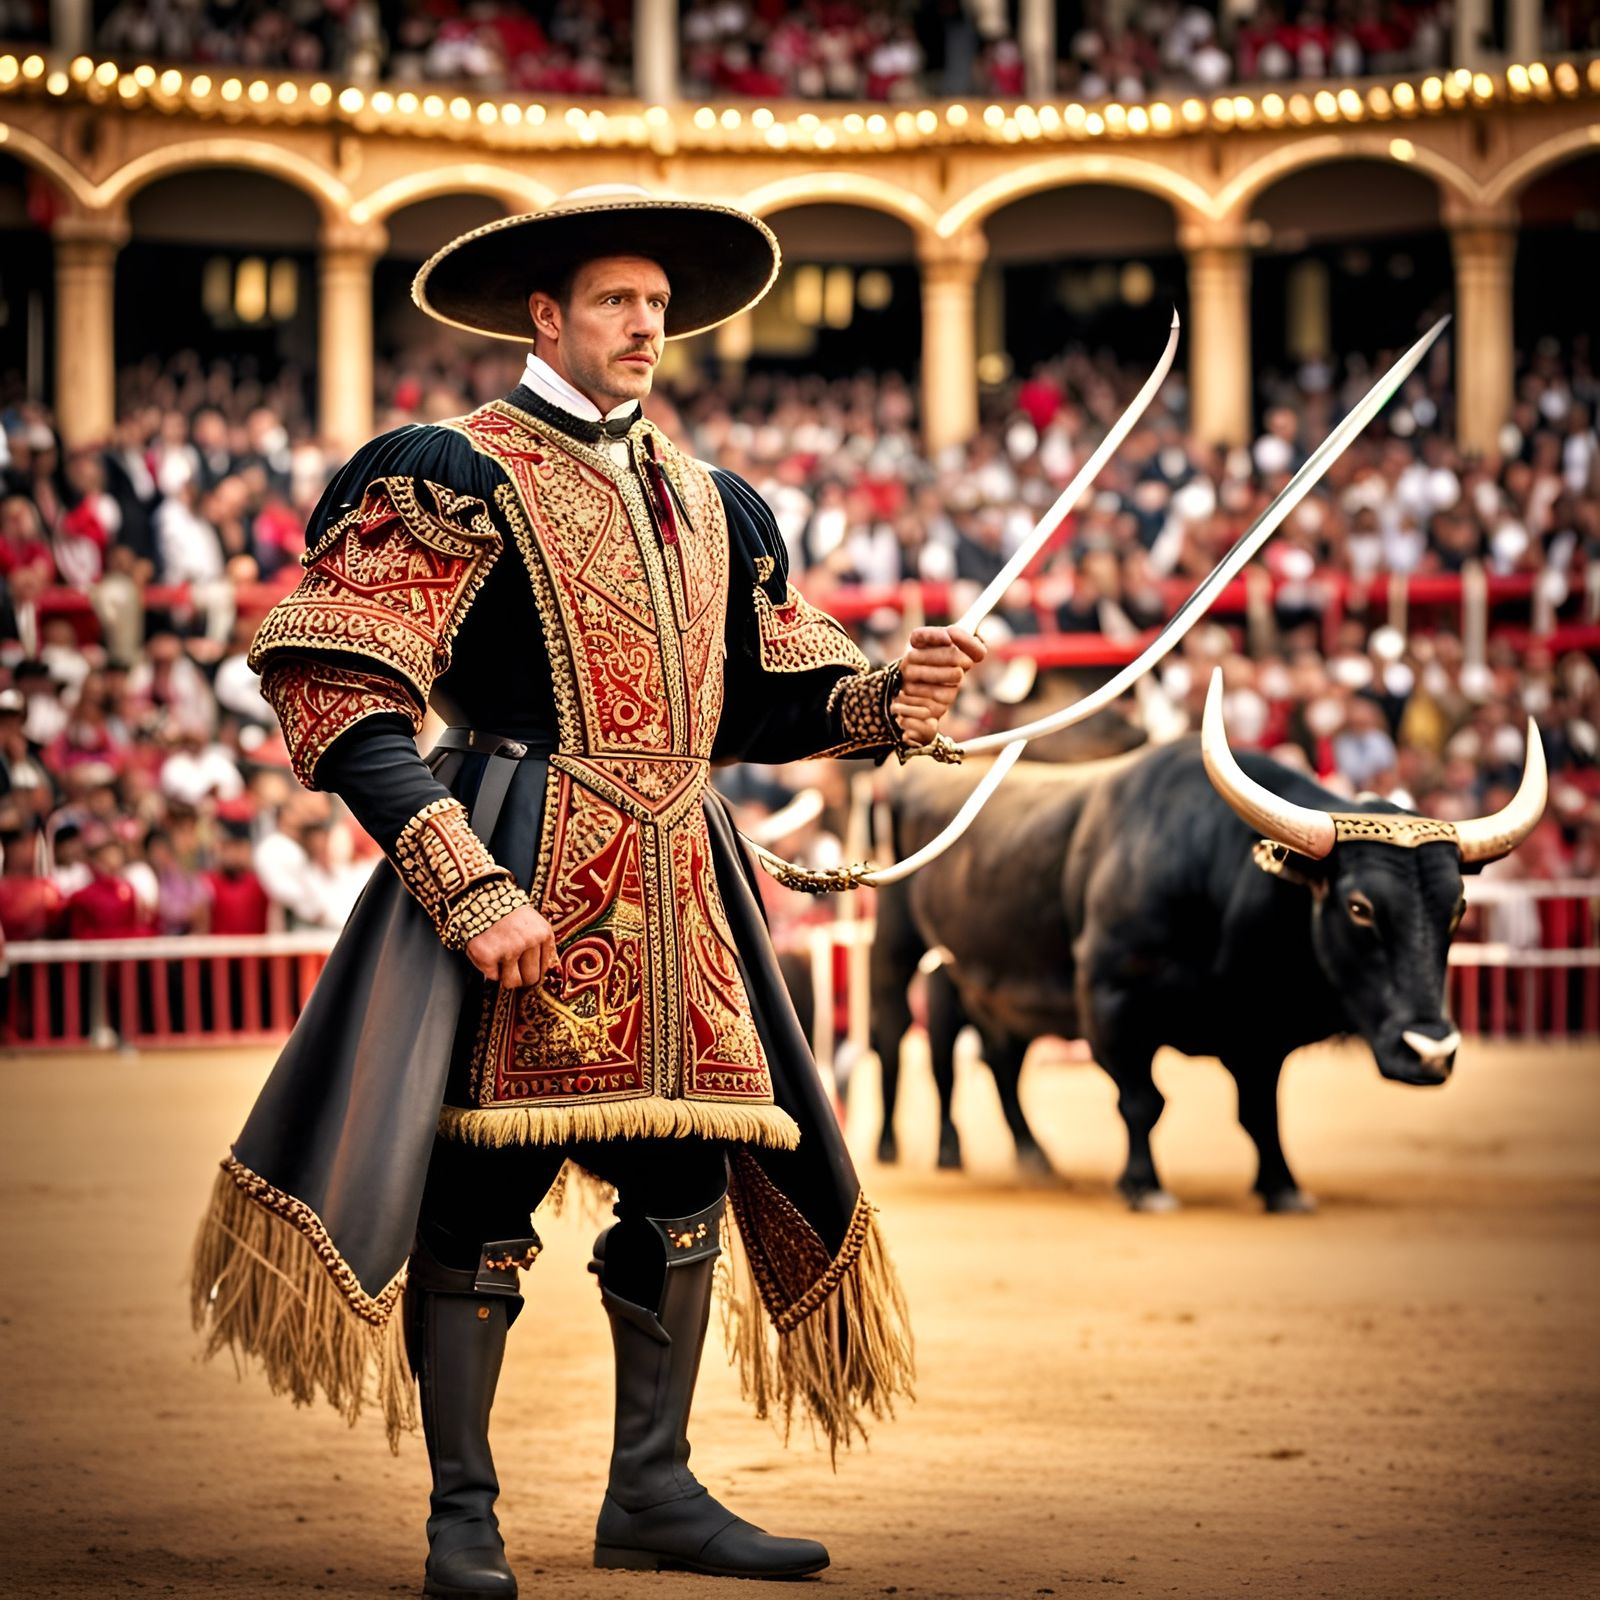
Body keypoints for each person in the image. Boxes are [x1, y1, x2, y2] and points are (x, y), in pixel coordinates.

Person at [190, 185, 985, 1597]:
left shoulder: (707, 494)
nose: (645, 327)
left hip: (684, 882)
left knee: (688, 1181)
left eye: (658, 307)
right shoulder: (451, 468)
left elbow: (769, 697)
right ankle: (463, 1513)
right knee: (480, 1184)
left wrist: (888, 701)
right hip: (520, 857)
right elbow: (342, 691)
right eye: (617, 301)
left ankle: (654, 1493)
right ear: (544, 316)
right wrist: (463, 882)